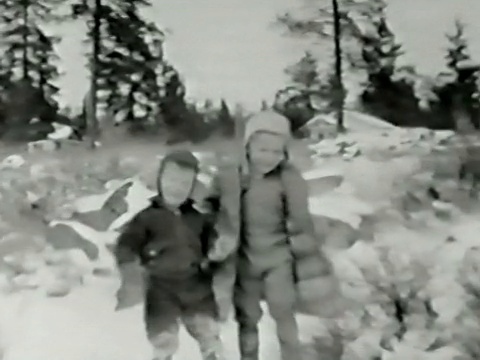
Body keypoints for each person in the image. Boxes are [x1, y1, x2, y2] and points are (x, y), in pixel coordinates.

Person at [203, 110, 333, 360]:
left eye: (277, 152)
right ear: (248, 147)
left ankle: (291, 355)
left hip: (278, 258)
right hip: (243, 260)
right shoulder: (230, 177)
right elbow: (210, 204)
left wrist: (303, 253)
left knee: (283, 310)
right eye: (263, 150)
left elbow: (300, 220)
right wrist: (213, 228)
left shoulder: (287, 180)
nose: (269, 157)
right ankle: (249, 356)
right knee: (247, 316)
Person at [114, 149, 225, 360]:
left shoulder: (199, 219)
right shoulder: (147, 218)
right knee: (164, 337)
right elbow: (126, 245)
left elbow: (213, 245)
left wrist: (215, 258)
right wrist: (131, 270)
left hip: (196, 285)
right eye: (171, 180)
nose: (176, 187)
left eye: (184, 183)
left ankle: (212, 354)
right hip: (161, 286)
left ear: (192, 187)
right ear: (160, 179)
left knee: (208, 333)